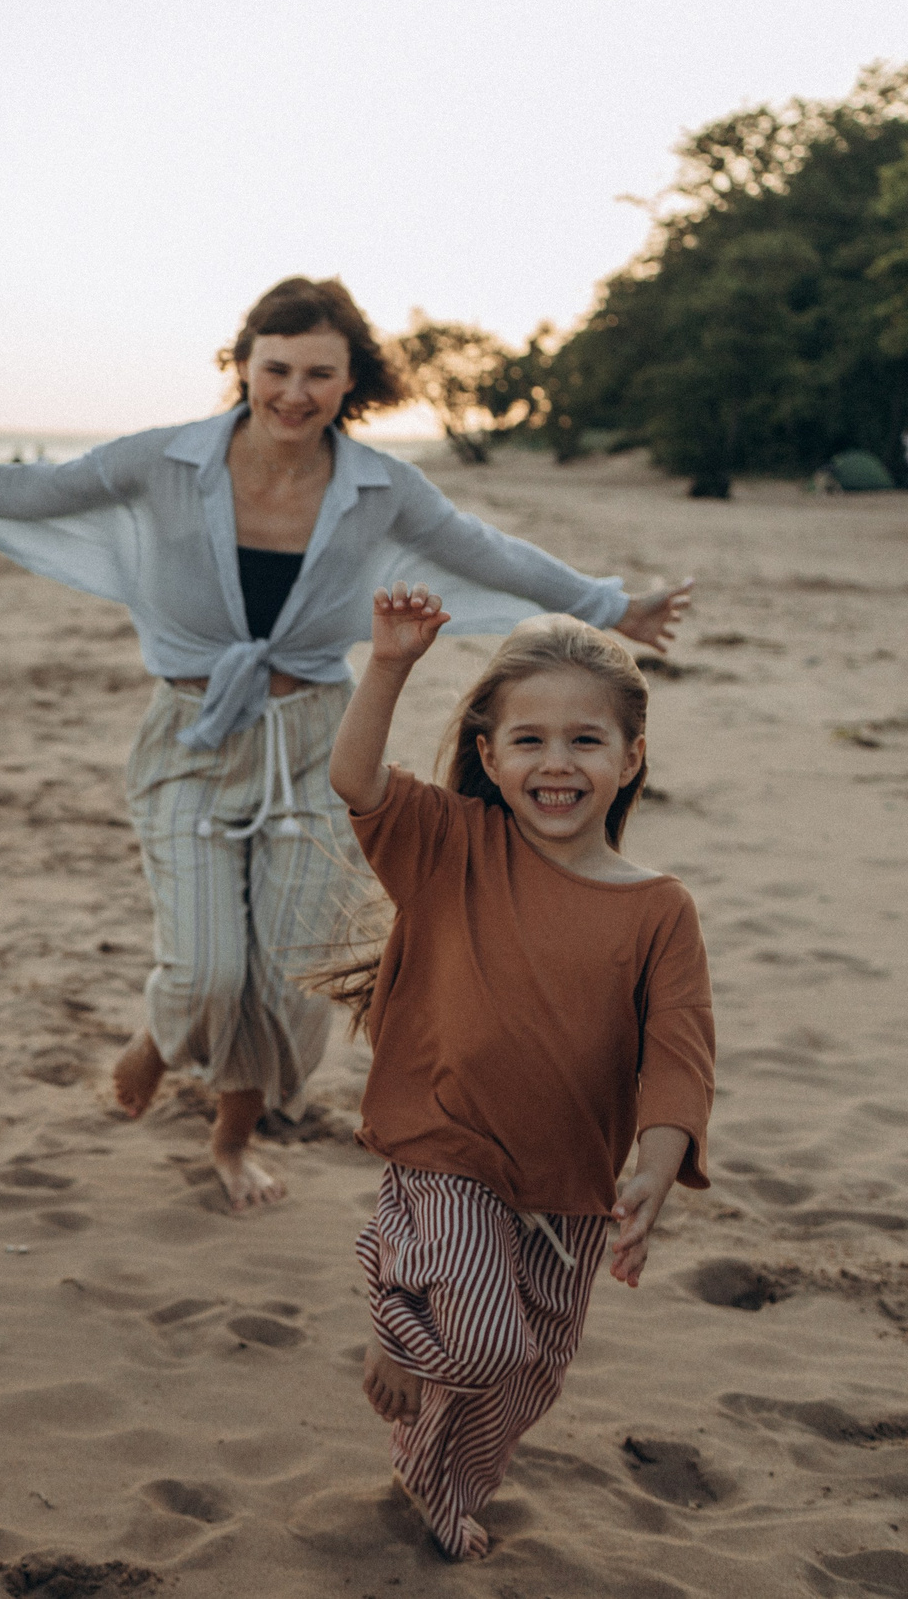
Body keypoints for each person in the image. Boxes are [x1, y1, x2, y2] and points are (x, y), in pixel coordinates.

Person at [0, 277, 695, 1210]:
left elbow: (486, 551)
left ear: (353, 382)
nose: (295, 392)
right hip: (191, 734)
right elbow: (43, 487)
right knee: (208, 968)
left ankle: (232, 1136)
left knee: (290, 968)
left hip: (311, 737)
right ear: (245, 365)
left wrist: (613, 605)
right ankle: (161, 1037)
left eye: (320, 374)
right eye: (277, 368)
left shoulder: (381, 487)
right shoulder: (166, 460)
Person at [325, 591, 714, 1561]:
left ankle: (436, 1480)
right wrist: (387, 665)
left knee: (526, 1372)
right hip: (445, 1155)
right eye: (527, 740)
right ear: (488, 755)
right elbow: (354, 778)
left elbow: (679, 1045)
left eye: (584, 741)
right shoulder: (448, 846)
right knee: (482, 1340)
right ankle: (396, 1315)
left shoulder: (659, 910)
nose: (555, 763)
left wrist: (658, 1160)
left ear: (628, 761)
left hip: (572, 1189)